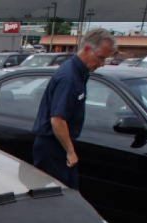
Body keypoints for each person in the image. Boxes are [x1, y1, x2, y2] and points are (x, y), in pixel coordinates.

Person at [32, 29, 116, 189]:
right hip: (52, 148)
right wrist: (70, 151)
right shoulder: (69, 78)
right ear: (87, 49)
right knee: (59, 197)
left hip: (58, 145)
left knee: (68, 194)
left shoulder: (80, 73)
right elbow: (57, 120)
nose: (102, 63)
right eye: (100, 58)